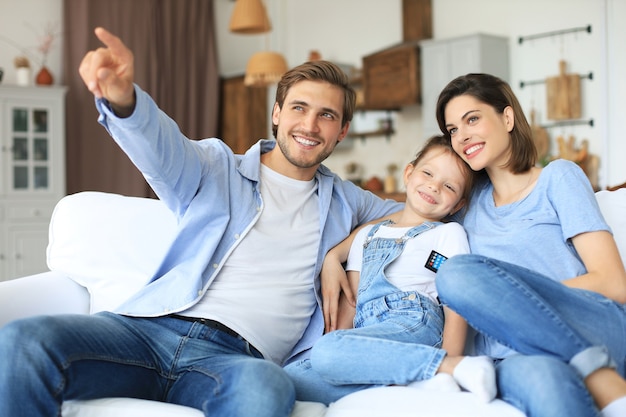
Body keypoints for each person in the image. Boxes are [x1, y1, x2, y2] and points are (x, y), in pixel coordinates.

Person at [0, 27, 404, 417]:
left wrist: (339, 251)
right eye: (299, 108)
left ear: (342, 131)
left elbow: (414, 213)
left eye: (327, 115)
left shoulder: (348, 202)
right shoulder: (216, 166)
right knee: (24, 340)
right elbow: (163, 150)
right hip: (147, 333)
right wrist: (125, 101)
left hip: (236, 361)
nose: (310, 125)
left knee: (267, 391)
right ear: (277, 114)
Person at [432, 73, 626, 417]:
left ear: (507, 118)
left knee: (459, 273)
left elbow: (613, 283)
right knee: (547, 385)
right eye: (453, 130)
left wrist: (511, 302)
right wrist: (337, 254)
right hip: (514, 355)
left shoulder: (558, 177)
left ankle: (597, 371)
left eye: (472, 119)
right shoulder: (465, 204)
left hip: (591, 324)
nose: (461, 137)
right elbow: (402, 213)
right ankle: (597, 377)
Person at [285, 135, 499, 405]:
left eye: (448, 186)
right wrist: (341, 351)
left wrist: (453, 363)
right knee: (287, 380)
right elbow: (352, 304)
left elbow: (454, 305)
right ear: (409, 173)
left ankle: (441, 369)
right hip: (369, 337)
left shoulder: (447, 234)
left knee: (327, 352)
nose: (433, 187)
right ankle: (413, 380)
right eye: (428, 173)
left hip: (413, 324)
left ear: (458, 205)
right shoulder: (366, 236)